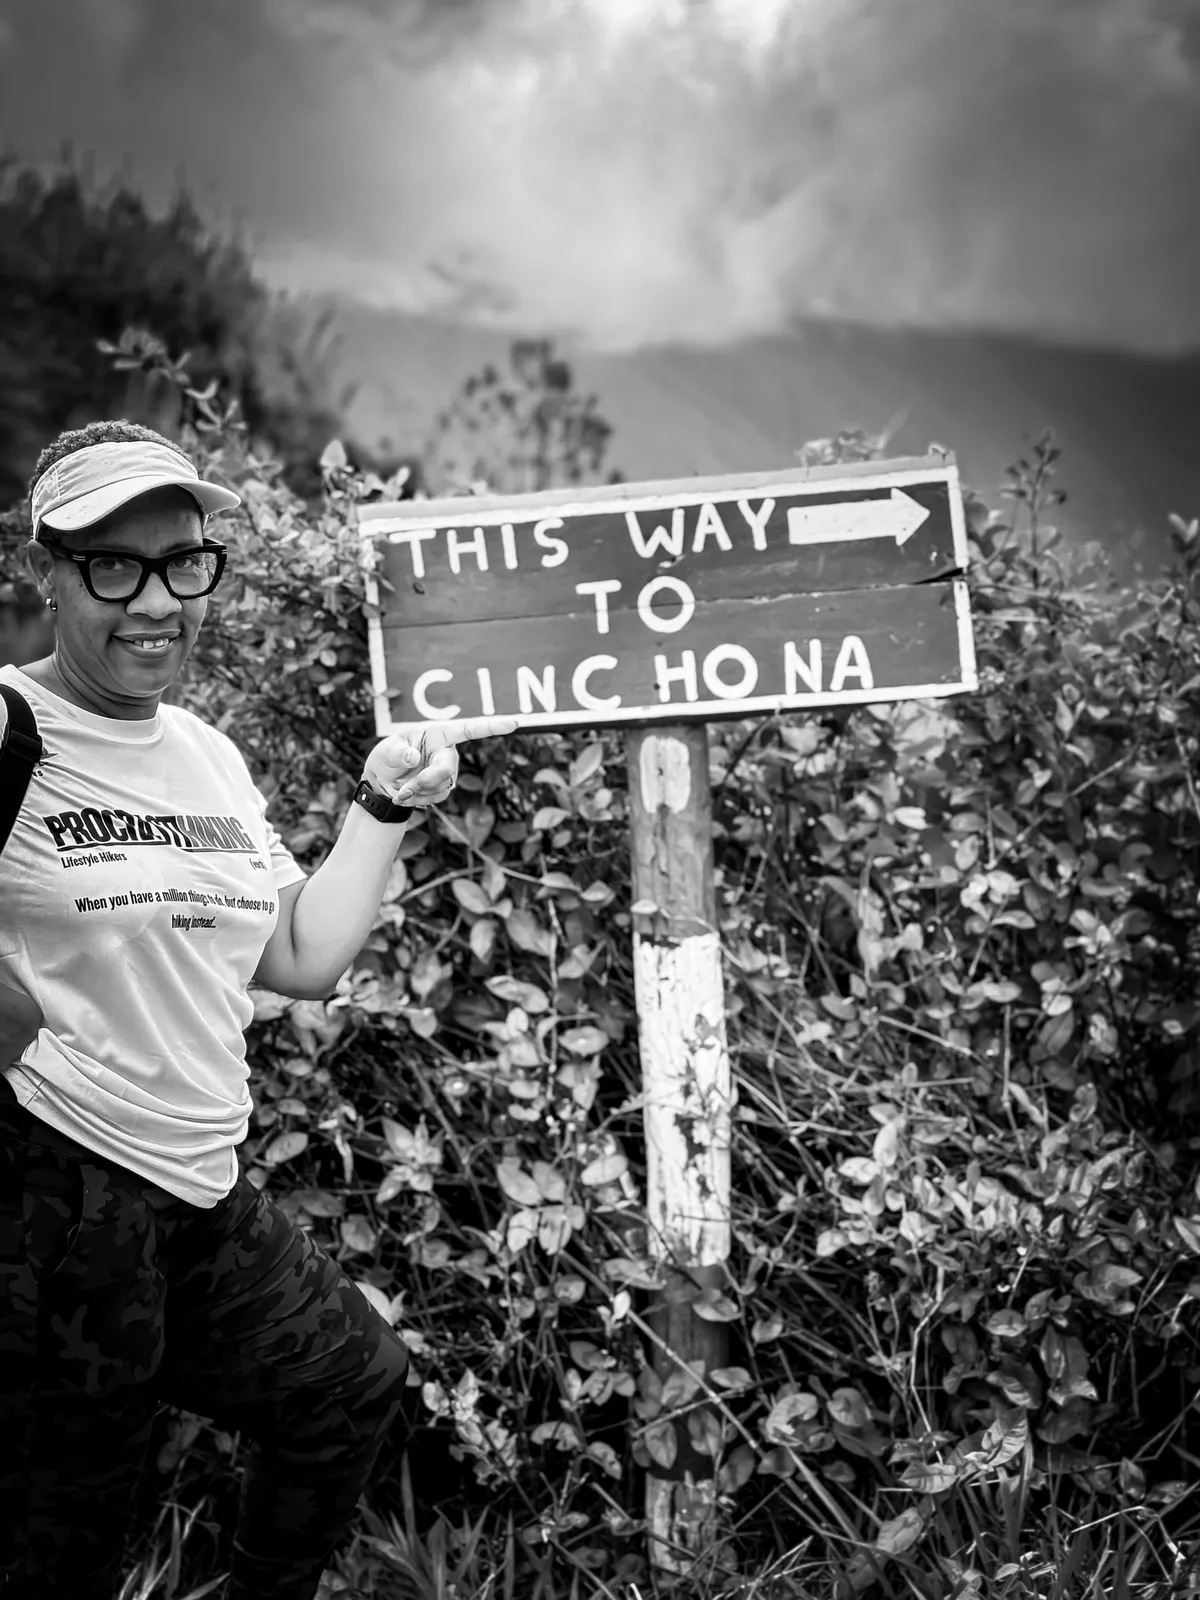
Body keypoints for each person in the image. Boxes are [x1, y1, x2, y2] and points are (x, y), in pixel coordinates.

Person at [0, 420, 513, 1600]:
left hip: (194, 1190)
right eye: (111, 566)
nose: (157, 602)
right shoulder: (11, 729)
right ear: (45, 570)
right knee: (60, 1547)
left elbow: (296, 951)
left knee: (350, 1382)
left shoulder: (204, 753)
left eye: (184, 563)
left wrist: (385, 804)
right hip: (55, 1196)